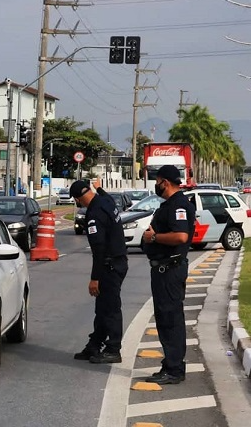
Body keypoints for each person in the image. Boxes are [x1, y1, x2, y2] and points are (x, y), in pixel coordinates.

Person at [141, 165, 195, 385]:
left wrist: (154, 238)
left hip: (170, 269)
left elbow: (181, 237)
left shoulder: (178, 205)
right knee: (165, 318)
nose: (156, 185)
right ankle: (171, 364)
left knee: (170, 319)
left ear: (165, 182)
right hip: (164, 269)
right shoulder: (171, 205)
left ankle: (174, 368)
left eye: (158, 180)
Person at [69, 180, 128, 364]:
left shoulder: (94, 214)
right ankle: (94, 345)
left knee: (110, 309)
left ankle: (113, 349)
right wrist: (99, 187)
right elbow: (108, 196)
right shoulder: (106, 202)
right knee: (102, 309)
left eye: (77, 200)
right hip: (118, 262)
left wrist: (95, 278)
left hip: (108, 266)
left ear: (79, 198)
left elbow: (99, 250)